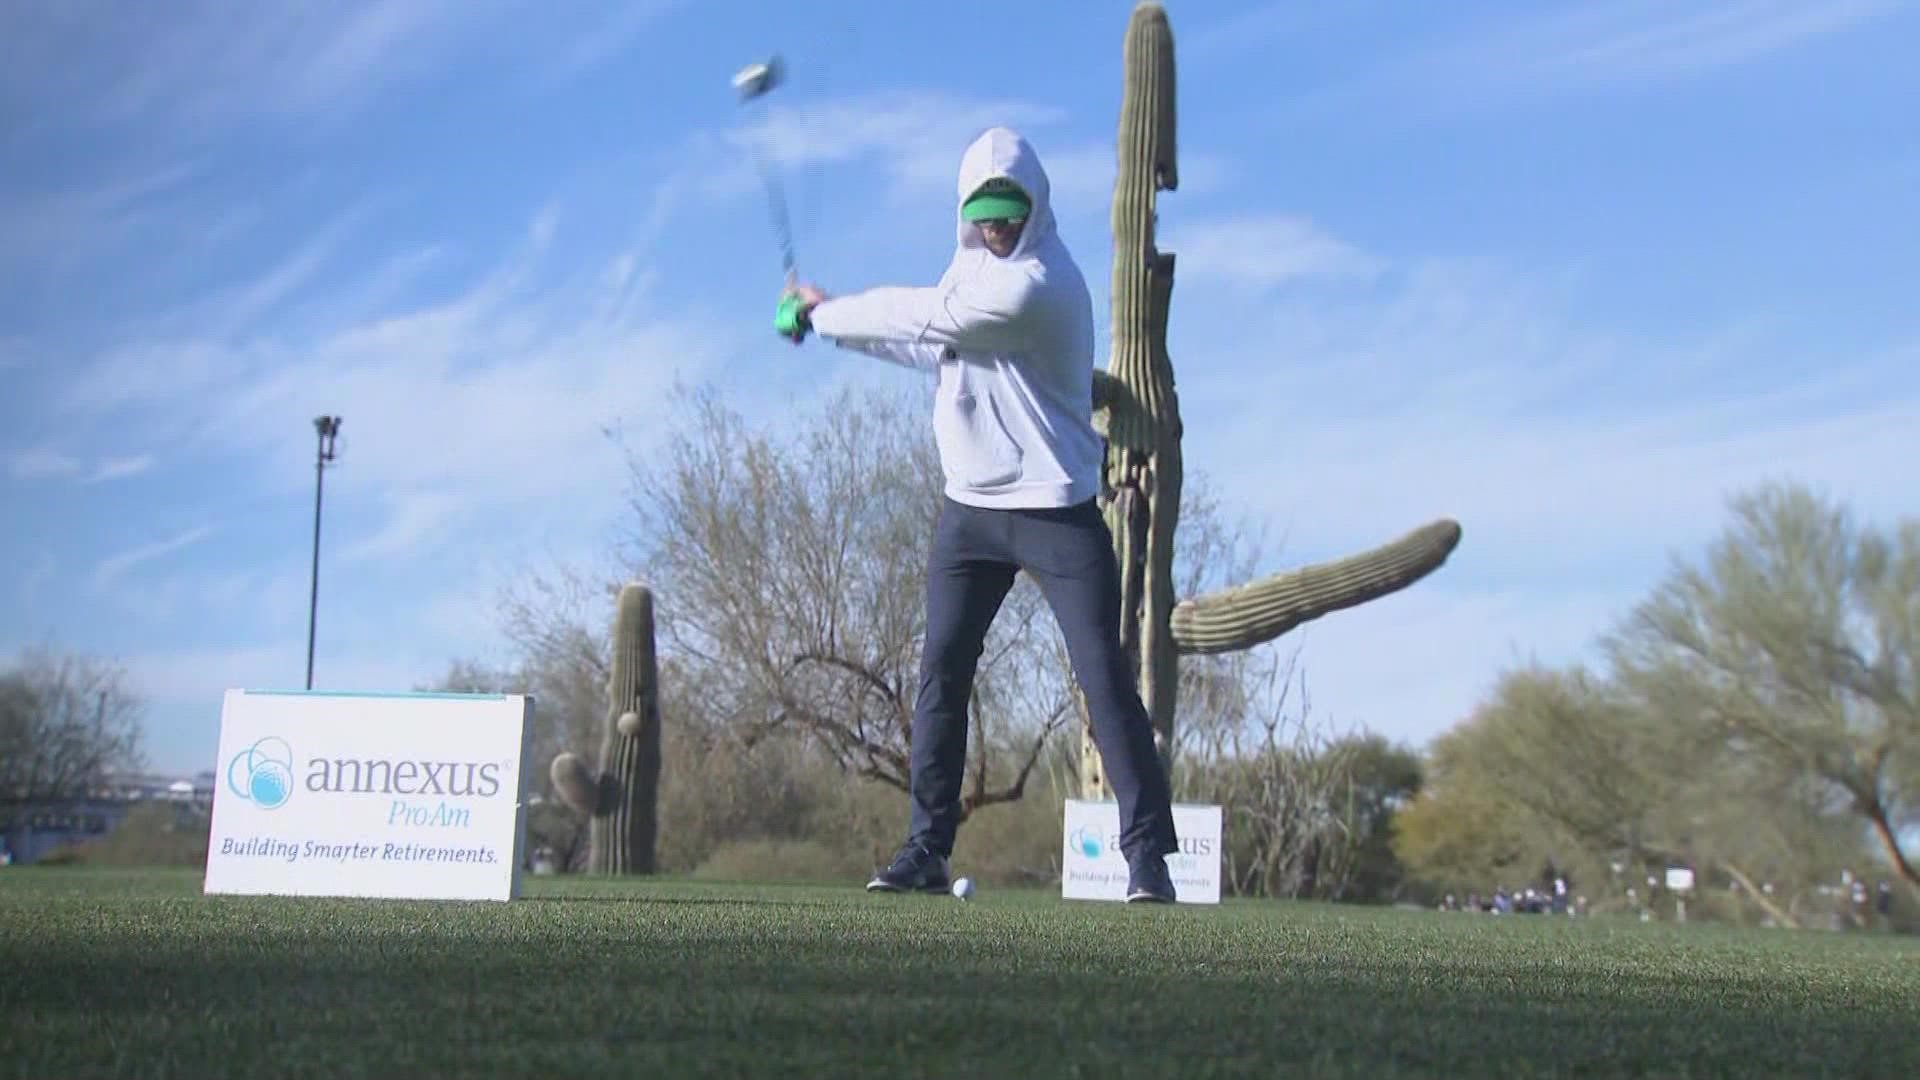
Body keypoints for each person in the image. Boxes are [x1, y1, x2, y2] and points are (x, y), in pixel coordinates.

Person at [773, 126, 1179, 903]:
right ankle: (925, 850)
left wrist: (822, 316)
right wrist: (834, 331)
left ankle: (1148, 860)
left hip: (1055, 506)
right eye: (984, 212)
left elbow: (932, 319)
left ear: (1035, 207)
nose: (996, 226)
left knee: (1103, 679)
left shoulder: (1040, 284)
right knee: (941, 678)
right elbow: (933, 346)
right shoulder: (970, 271)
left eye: (1009, 212)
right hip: (970, 511)